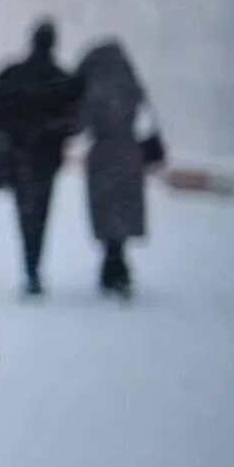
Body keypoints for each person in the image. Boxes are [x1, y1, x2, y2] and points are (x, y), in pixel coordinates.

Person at [0, 18, 85, 295]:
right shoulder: (62, 79)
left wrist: (10, 134)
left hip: (17, 158)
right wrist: (51, 131)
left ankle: (31, 268)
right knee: (39, 214)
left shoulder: (12, 74)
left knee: (26, 213)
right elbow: (77, 121)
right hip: (45, 161)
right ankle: (33, 268)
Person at [75, 38, 159, 299]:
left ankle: (113, 266)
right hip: (129, 155)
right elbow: (144, 114)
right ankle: (117, 263)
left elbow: (80, 122)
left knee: (106, 211)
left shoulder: (94, 86)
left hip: (103, 155)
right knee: (122, 210)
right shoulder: (131, 83)